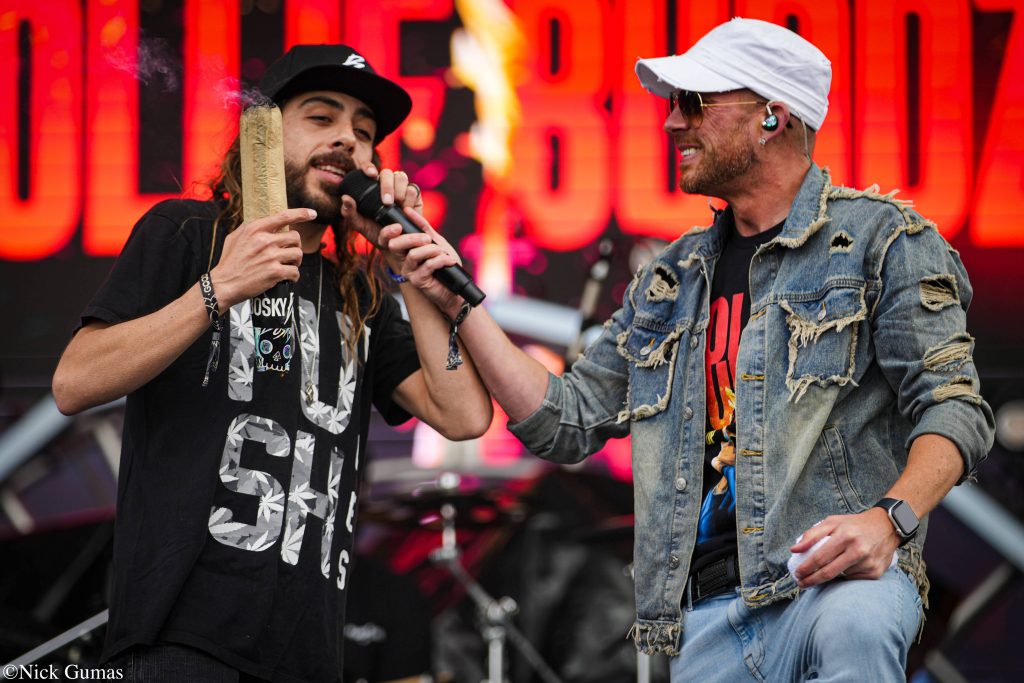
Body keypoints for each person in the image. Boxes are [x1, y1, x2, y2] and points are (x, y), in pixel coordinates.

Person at [384, 17, 996, 682]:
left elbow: (955, 410)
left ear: (772, 117)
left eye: (696, 103)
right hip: (711, 615)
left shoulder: (883, 241)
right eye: (674, 103)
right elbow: (564, 421)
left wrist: (888, 520)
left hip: (838, 583)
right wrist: (459, 301)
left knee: (856, 625)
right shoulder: (670, 281)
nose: (673, 122)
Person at [51, 44, 492, 683]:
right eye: (321, 117)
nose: (347, 139)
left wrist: (411, 269)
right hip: (183, 638)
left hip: (308, 654)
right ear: (262, 135)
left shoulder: (360, 294)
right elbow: (74, 382)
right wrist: (220, 287)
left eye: (364, 132)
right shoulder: (189, 233)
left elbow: (464, 415)